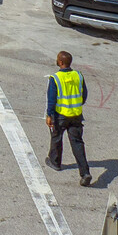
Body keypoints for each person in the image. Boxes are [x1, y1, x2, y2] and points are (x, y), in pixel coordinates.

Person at [46, 50, 92, 186]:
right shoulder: (78, 75)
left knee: (56, 137)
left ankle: (55, 162)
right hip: (76, 115)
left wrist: (49, 115)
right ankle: (85, 173)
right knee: (77, 143)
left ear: (60, 62)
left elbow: (51, 100)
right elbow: (84, 95)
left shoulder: (55, 78)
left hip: (61, 115)